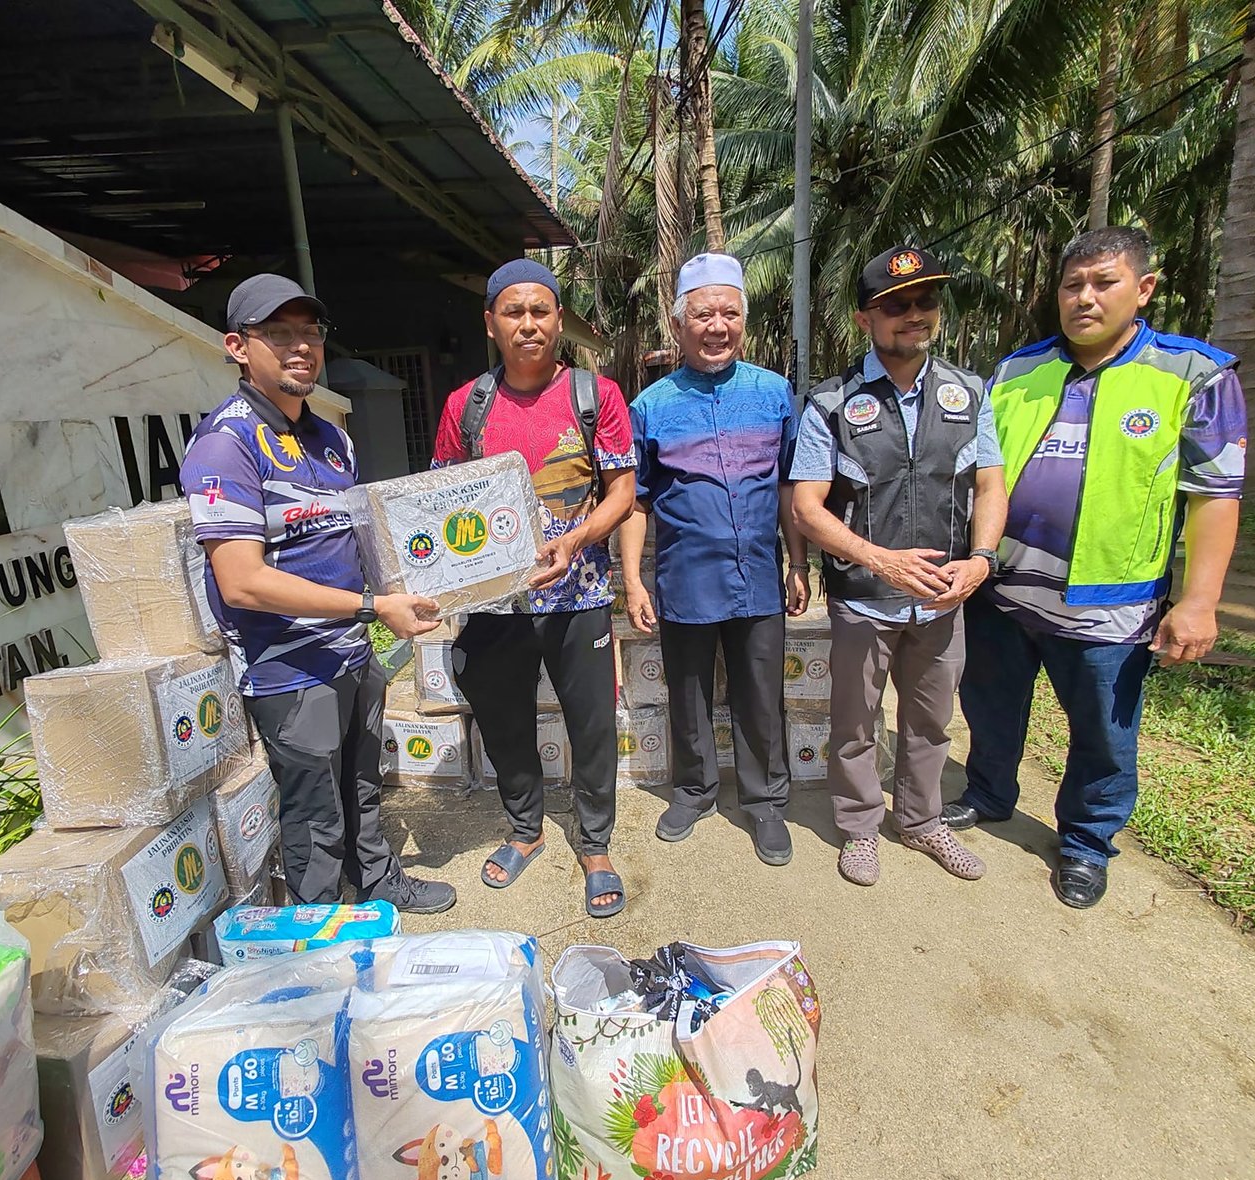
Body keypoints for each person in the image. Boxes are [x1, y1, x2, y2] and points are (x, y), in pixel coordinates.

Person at [942, 226, 1245, 909]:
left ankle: (1085, 842)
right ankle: (989, 794)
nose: (1084, 298)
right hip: (1005, 588)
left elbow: (1216, 497)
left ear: (1143, 289)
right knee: (990, 707)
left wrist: (1199, 601)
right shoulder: (1019, 371)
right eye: (1072, 285)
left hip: (1109, 601)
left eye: (1103, 283)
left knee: (1104, 735)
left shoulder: (1191, 374)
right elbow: (978, 475)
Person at [179, 273, 456, 914]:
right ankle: (319, 924)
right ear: (238, 346)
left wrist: (404, 586)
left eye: (310, 331)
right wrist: (371, 607)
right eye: (279, 333)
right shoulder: (227, 443)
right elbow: (242, 582)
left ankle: (380, 885)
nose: (300, 345)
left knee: (363, 784)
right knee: (314, 810)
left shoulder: (332, 437)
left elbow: (360, 533)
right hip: (289, 667)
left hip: (353, 651)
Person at [791, 245, 1008, 886]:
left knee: (931, 722)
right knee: (855, 724)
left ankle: (921, 821)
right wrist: (877, 560)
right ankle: (859, 827)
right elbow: (807, 507)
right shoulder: (831, 402)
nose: (914, 315)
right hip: (863, 596)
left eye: (925, 302)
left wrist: (983, 561)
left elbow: (990, 488)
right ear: (865, 321)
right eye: (896, 306)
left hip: (943, 597)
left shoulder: (969, 393)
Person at [431, 260, 638, 918]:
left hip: (577, 597)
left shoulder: (594, 395)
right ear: (491, 322)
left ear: (559, 320)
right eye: (514, 312)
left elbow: (623, 492)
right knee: (504, 720)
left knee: (593, 724)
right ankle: (526, 829)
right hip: (496, 605)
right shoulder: (465, 405)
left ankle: (596, 843)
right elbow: (441, 499)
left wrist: (574, 541)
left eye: (541, 311)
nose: (529, 324)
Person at [619, 253, 809, 866]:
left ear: (744, 322)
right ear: (678, 325)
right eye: (703, 314)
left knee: (759, 692)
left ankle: (764, 803)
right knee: (688, 691)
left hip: (758, 576)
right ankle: (695, 790)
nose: (717, 326)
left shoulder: (774, 393)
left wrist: (797, 562)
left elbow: (789, 488)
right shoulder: (650, 405)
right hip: (685, 580)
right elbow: (636, 502)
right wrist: (633, 581)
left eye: (730, 313)